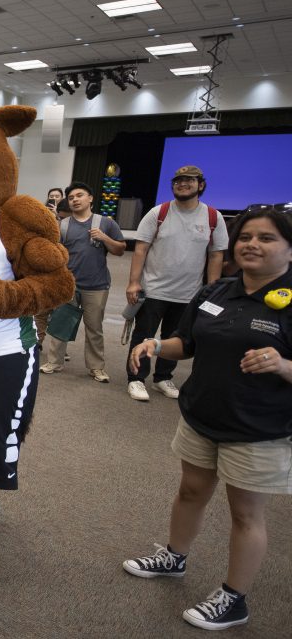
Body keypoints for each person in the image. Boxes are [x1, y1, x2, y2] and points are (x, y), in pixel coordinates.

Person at [122, 207, 292, 631]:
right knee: (191, 490)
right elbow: (188, 344)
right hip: (202, 415)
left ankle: (235, 599)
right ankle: (174, 557)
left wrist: (282, 364)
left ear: (290, 248)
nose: (252, 244)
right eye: (245, 236)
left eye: (267, 238)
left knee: (245, 514)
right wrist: (156, 346)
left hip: (258, 428)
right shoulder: (216, 292)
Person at [125, 165, 229, 401]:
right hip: (153, 290)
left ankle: (162, 378)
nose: (182, 184)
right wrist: (133, 282)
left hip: (189, 294)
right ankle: (136, 379)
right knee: (143, 335)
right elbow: (141, 249)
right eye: (178, 181)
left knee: (176, 338)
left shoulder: (213, 217)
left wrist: (212, 289)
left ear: (200, 185)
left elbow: (216, 255)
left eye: (189, 180)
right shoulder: (158, 213)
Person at [39, 182, 126, 382]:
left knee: (94, 327)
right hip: (68, 284)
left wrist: (105, 238)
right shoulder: (63, 225)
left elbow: (120, 250)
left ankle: (96, 367)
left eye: (80, 195)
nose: (75, 200)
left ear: (90, 198)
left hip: (97, 286)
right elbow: (55, 254)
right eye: (71, 198)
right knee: (61, 324)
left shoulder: (105, 223)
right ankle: (54, 362)